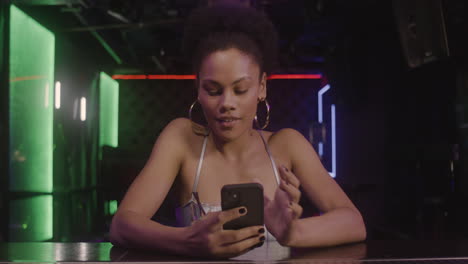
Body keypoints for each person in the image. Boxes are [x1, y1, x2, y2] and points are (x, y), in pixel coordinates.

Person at [109, 6, 366, 259]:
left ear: (261, 87)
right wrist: (188, 241)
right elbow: (122, 225)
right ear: (198, 89)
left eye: (240, 89)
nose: (226, 103)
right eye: (213, 90)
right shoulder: (181, 138)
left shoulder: (287, 144)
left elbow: (354, 223)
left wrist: (293, 232)